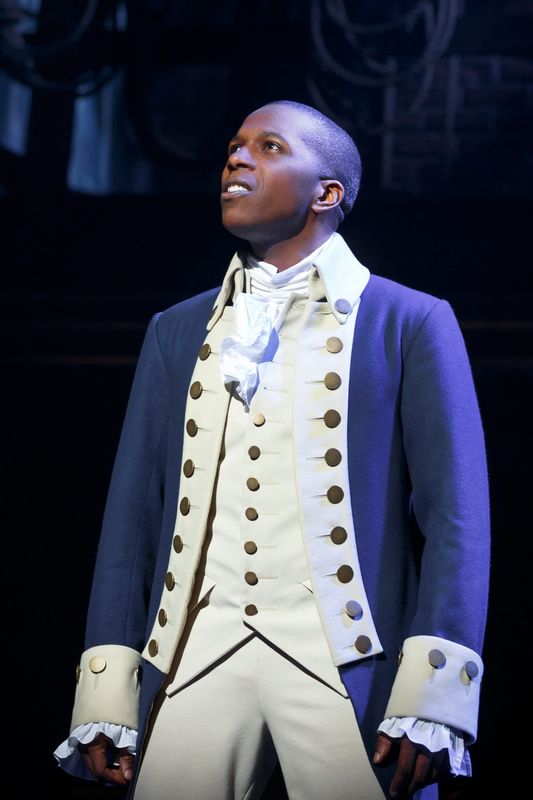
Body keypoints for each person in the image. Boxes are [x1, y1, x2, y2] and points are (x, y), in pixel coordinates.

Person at [54, 100, 490, 800]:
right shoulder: (177, 328)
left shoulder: (408, 321)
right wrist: (107, 687)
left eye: (267, 146)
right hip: (196, 653)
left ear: (327, 192)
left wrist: (432, 693)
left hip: (345, 660)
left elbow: (455, 520)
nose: (236, 158)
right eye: (233, 145)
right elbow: (130, 522)